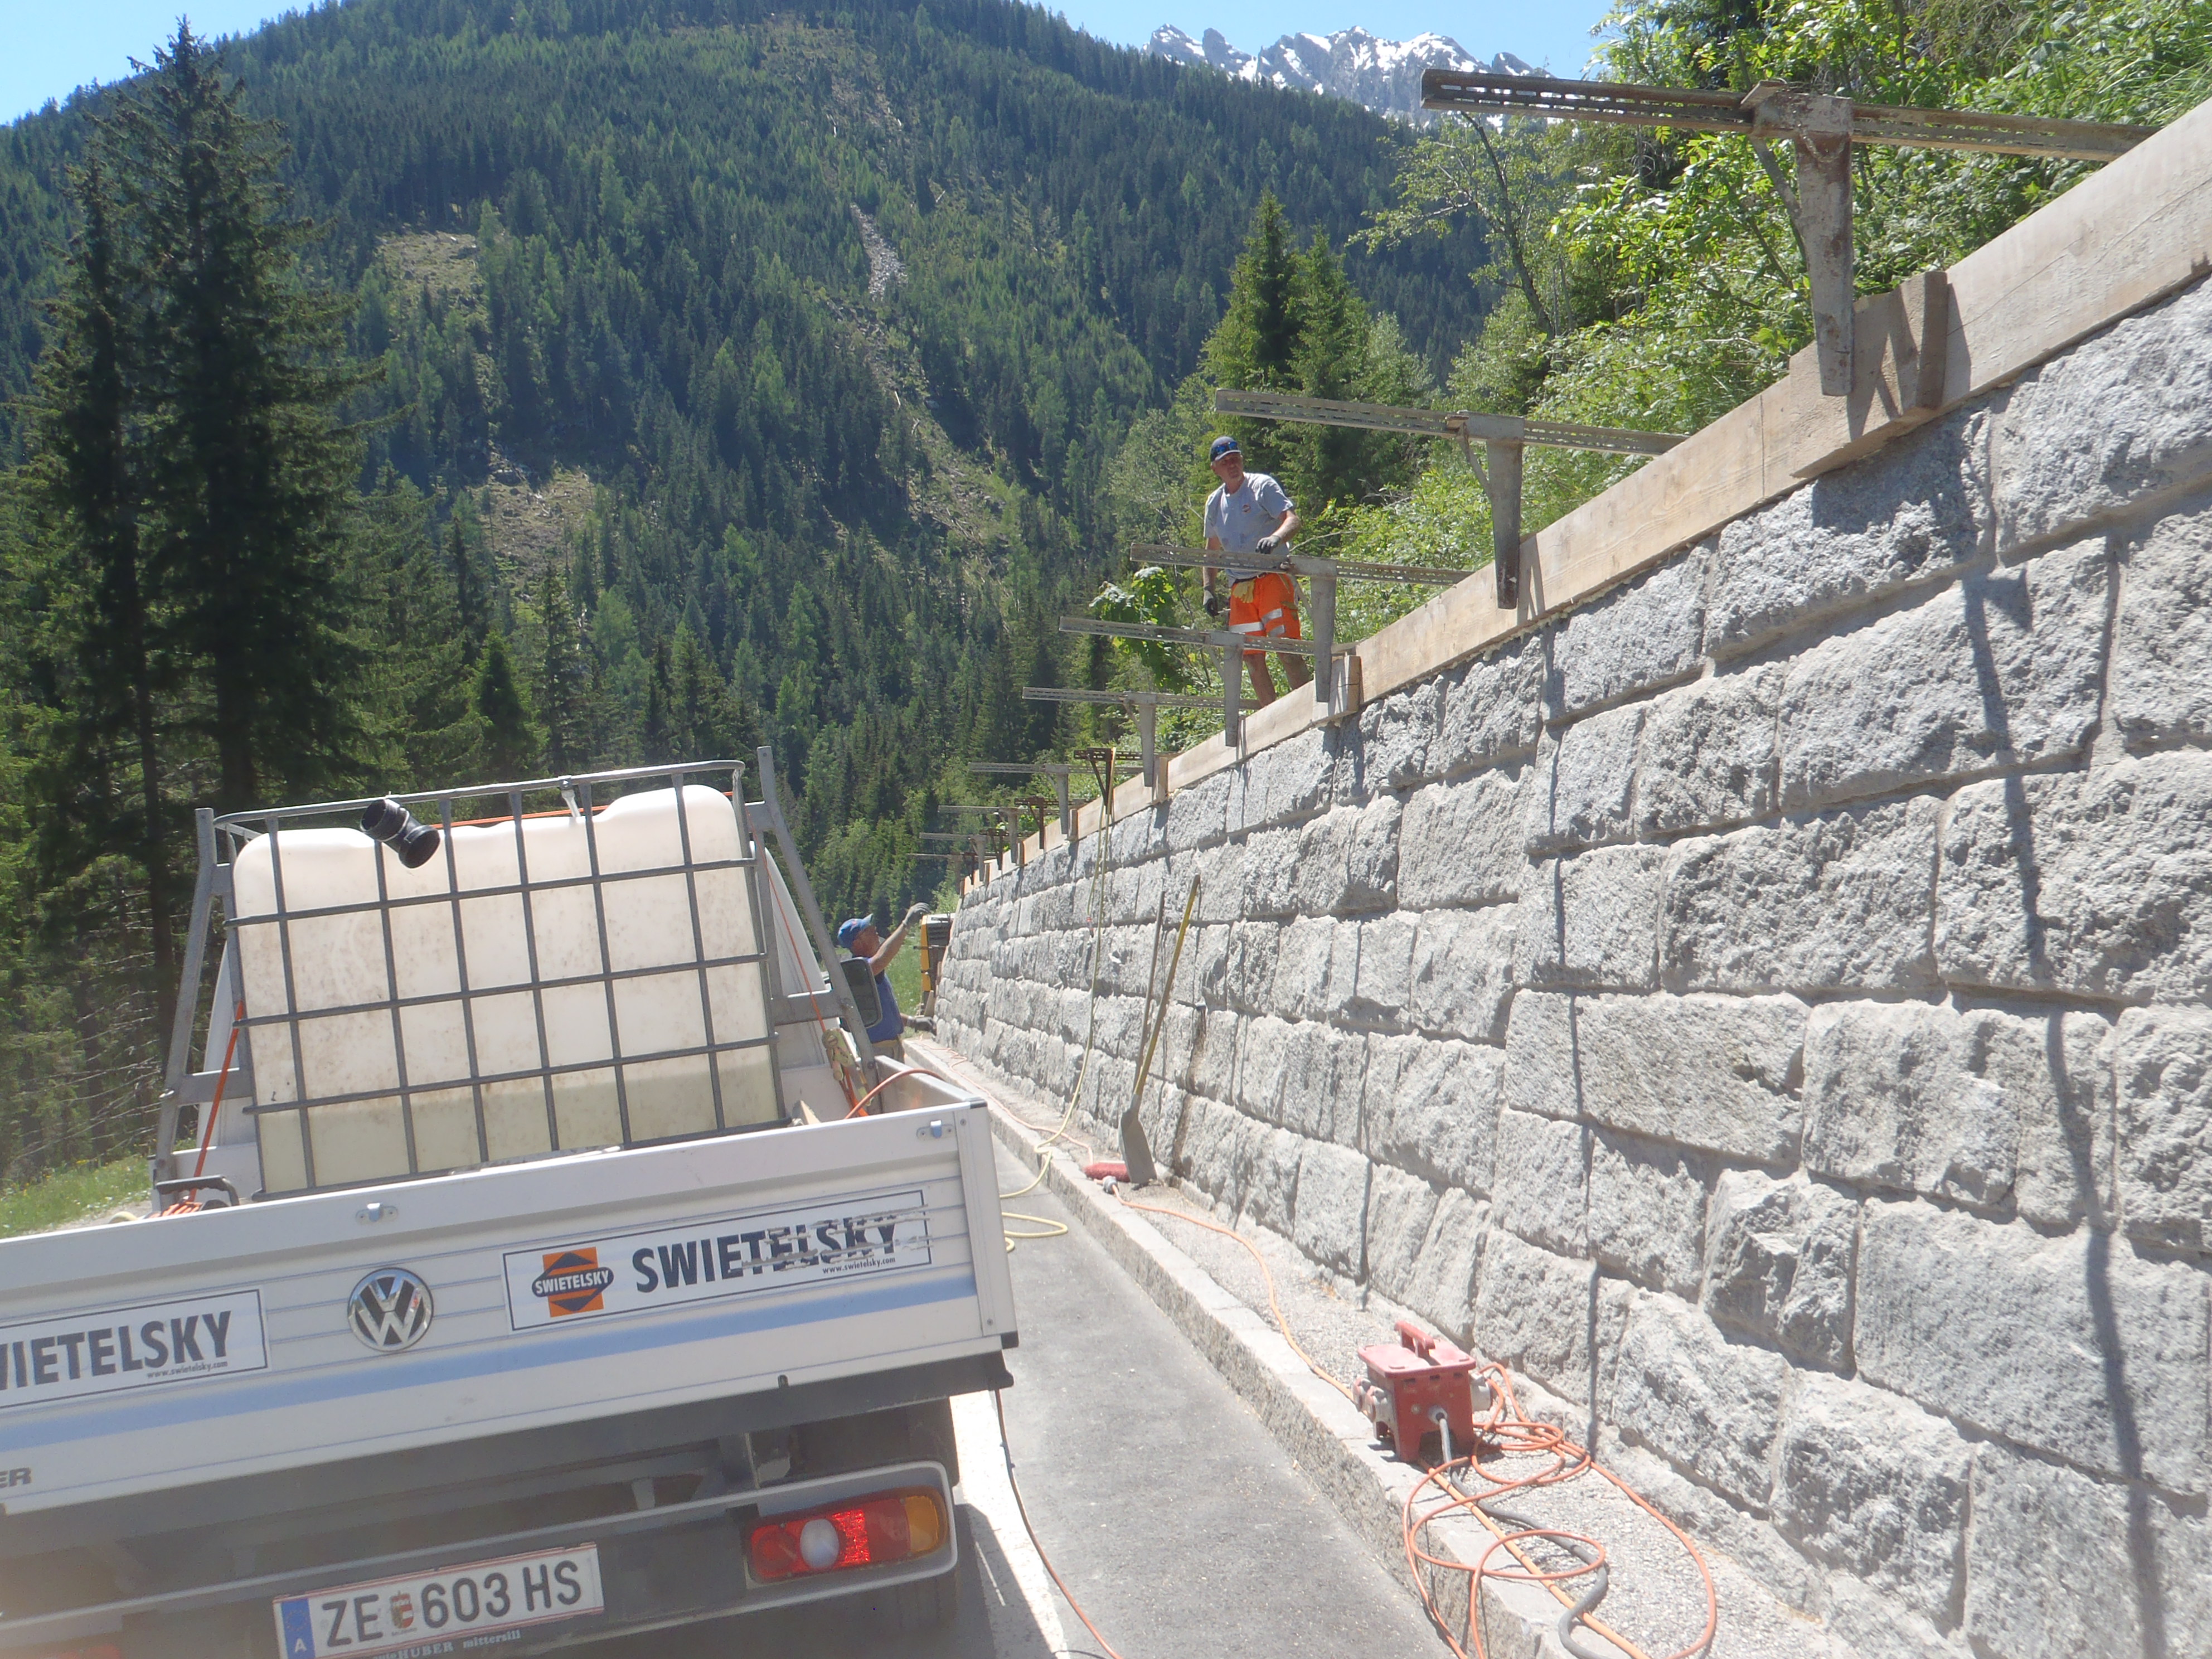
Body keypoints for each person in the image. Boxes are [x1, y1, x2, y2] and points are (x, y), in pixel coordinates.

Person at [1201, 434, 1310, 706]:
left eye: (1235, 459)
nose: (1232, 465)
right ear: (1215, 468)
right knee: (1251, 656)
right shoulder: (1214, 504)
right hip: (1241, 589)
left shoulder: (1262, 486)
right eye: (1225, 462)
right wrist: (1208, 589)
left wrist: (1278, 537)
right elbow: (1212, 550)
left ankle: (1307, 706)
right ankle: (1273, 718)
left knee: (1287, 648)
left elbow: (1292, 520)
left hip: (1272, 577)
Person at [837, 905, 926, 1060]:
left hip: (889, 1047)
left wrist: (913, 1022)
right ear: (857, 943)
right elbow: (880, 960)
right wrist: (905, 925)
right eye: (868, 930)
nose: (875, 930)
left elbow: (883, 1013)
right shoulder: (859, 971)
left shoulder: (867, 968)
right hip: (878, 1051)